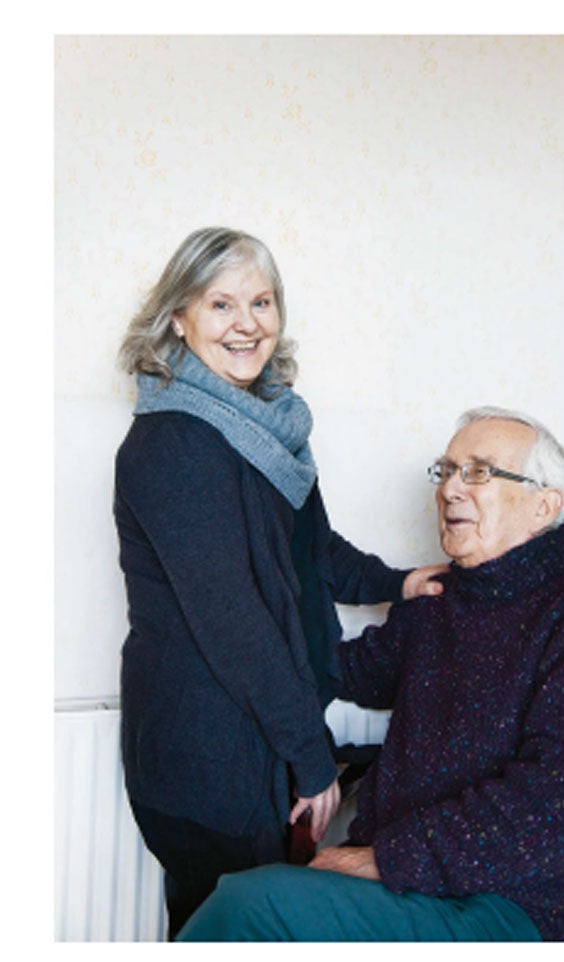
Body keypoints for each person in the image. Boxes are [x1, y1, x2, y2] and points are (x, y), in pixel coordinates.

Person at [178, 407, 564, 941]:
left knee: (253, 906)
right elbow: (339, 669)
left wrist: (389, 858)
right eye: (447, 470)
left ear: (543, 506)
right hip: (414, 887)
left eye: (479, 472)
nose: (451, 489)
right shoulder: (442, 600)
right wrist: (235, 620)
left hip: (524, 904)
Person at [114, 227, 443, 936]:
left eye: (261, 302)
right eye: (221, 305)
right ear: (179, 317)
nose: (247, 325)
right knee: (226, 926)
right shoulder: (174, 443)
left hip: (255, 734)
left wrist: (401, 580)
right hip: (204, 745)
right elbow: (233, 621)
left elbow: (313, 549)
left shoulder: (269, 430)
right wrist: (313, 761)